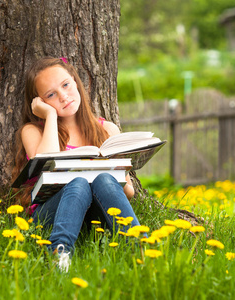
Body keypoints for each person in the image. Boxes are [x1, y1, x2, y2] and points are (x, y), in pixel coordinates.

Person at [12, 57, 142, 272]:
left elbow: (128, 191)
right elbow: (46, 160)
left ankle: (138, 248)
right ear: (40, 103)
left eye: (66, 85)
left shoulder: (107, 130)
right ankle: (60, 255)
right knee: (78, 182)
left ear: (75, 82)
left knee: (103, 179)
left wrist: (111, 174)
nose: (63, 96)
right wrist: (50, 116)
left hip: (97, 214)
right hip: (51, 213)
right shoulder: (34, 131)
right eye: (51, 95)